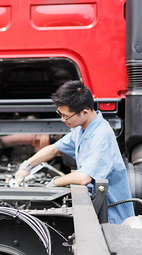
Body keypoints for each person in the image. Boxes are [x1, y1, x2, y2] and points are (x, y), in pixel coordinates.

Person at [15, 80, 134, 224]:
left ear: (85, 112)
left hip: (112, 218)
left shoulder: (101, 135)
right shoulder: (81, 129)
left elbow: (84, 177)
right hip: (96, 208)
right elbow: (54, 149)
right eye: (60, 113)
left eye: (66, 116)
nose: (62, 119)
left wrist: (54, 183)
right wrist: (26, 166)